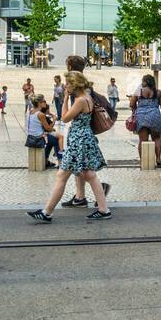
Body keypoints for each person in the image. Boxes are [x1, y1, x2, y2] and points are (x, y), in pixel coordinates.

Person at [29, 72, 111, 222]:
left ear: (74, 85)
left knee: (65, 176)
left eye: (67, 83)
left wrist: (66, 98)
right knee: (89, 175)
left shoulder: (80, 100)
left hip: (78, 141)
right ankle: (103, 209)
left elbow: (65, 117)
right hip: (83, 138)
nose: (65, 85)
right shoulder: (88, 97)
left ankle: (47, 212)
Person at [129, 74, 161, 163]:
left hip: (141, 117)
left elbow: (131, 104)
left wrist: (137, 109)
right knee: (157, 138)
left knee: (142, 140)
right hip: (155, 116)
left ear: (145, 82)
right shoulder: (158, 92)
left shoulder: (139, 91)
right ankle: (158, 159)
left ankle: (143, 160)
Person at [28, 95, 60, 168]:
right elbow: (48, 128)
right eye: (44, 101)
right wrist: (54, 120)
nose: (45, 103)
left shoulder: (31, 111)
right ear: (39, 103)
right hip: (38, 138)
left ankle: (45, 160)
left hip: (31, 136)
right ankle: (60, 161)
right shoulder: (41, 114)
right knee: (56, 140)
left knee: (50, 139)